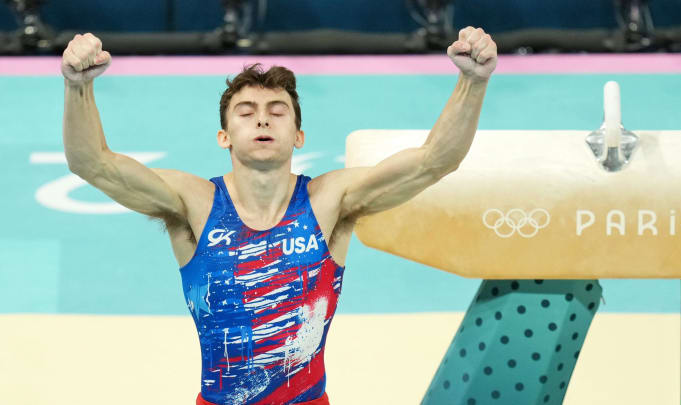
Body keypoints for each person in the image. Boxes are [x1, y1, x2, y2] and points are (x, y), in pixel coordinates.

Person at [61, 26, 497, 405]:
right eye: (246, 113)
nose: (262, 121)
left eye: (277, 112)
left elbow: (433, 161)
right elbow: (93, 163)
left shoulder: (330, 200)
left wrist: (473, 82)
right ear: (224, 136)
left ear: (299, 135)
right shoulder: (193, 203)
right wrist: (77, 86)